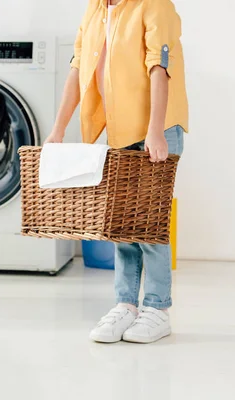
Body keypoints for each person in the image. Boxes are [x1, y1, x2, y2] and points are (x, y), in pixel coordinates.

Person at [44, 0, 188, 344]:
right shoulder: (95, 10)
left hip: (157, 129)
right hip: (121, 130)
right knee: (124, 226)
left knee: (149, 226)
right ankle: (126, 304)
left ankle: (157, 308)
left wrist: (155, 129)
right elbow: (78, 69)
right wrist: (58, 129)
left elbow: (160, 68)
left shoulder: (155, 5)